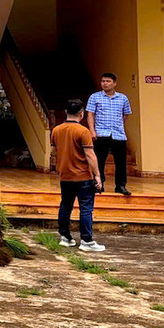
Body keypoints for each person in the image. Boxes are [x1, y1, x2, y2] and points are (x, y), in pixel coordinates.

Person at [54, 98, 105, 252]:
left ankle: (65, 237)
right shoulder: (83, 131)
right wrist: (97, 175)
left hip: (65, 175)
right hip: (83, 176)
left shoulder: (56, 130)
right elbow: (90, 155)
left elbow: (54, 151)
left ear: (65, 112)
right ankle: (86, 240)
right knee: (86, 209)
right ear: (81, 114)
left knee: (65, 206)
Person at [87, 72, 133, 196]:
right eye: (103, 81)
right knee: (99, 161)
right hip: (101, 133)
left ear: (114, 83)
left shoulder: (123, 98)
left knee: (121, 162)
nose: (105, 83)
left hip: (118, 134)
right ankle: (98, 184)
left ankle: (120, 186)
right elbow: (90, 114)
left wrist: (119, 125)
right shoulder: (94, 97)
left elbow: (126, 115)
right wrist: (92, 130)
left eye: (108, 81)